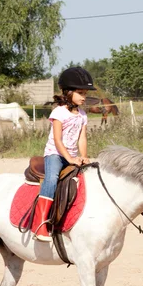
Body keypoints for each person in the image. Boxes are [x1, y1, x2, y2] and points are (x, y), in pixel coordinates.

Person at [32, 67, 96, 241]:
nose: (84, 96)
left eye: (85, 93)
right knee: (52, 179)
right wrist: (69, 158)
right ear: (68, 92)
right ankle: (40, 223)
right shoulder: (59, 112)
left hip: (73, 155)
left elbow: (82, 138)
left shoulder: (82, 114)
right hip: (55, 154)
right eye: (80, 93)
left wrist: (83, 156)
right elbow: (58, 140)